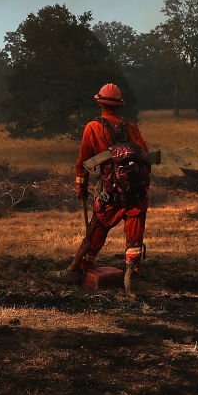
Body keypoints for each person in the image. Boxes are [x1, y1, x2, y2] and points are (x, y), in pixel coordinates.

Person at [55, 83, 150, 294]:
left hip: (110, 195)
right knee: (134, 237)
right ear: (119, 106)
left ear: (100, 104)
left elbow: (82, 163)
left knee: (96, 230)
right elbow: (146, 157)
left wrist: (81, 188)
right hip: (135, 196)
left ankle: (77, 268)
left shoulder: (93, 128)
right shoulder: (131, 127)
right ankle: (132, 275)